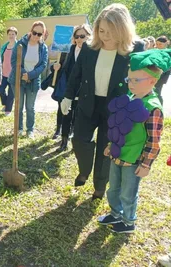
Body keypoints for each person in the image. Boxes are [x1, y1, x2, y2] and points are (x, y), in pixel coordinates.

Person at [60, 3, 144, 200]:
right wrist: (68, 96)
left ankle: (99, 185)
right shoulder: (90, 48)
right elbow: (76, 74)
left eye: (111, 31)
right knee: (79, 140)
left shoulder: (136, 48)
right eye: (101, 30)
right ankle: (84, 170)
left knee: (106, 149)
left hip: (116, 109)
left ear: (123, 30)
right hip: (89, 103)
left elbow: (142, 77)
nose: (105, 36)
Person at [97, 48, 169, 233]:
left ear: (153, 81)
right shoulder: (128, 98)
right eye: (129, 79)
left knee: (128, 193)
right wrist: (110, 145)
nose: (131, 83)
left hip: (134, 159)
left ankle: (128, 222)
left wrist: (146, 164)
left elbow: (154, 141)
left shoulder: (153, 108)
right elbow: (118, 127)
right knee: (113, 188)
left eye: (136, 80)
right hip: (118, 154)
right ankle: (115, 213)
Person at [50, 24, 92, 151]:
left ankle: (76, 141)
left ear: (88, 36)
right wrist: (55, 66)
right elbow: (61, 65)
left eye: (82, 36)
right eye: (77, 36)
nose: (79, 39)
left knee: (78, 116)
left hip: (83, 90)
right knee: (66, 114)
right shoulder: (69, 50)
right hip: (69, 88)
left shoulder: (92, 52)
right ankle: (63, 141)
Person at [8, 21, 48, 138]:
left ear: (43, 35)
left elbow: (43, 65)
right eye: (34, 33)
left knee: (30, 107)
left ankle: (30, 129)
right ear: (31, 31)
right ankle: (19, 128)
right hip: (18, 79)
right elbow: (14, 60)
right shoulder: (21, 43)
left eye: (39, 34)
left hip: (33, 81)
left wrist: (30, 75)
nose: (36, 36)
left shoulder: (43, 48)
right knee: (19, 106)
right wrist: (23, 73)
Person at [0, 26, 18, 116]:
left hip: (13, 74)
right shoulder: (5, 46)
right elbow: (1, 58)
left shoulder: (18, 47)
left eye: (13, 34)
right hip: (4, 73)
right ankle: (6, 104)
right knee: (0, 90)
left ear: (16, 35)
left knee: (11, 92)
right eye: (9, 34)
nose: (11, 36)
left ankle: (8, 110)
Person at [154, 36, 170, 104]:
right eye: (157, 44)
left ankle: (159, 110)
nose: (158, 46)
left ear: (166, 43)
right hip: (153, 75)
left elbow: (168, 66)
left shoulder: (168, 53)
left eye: (160, 44)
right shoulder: (156, 52)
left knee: (157, 92)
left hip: (161, 77)